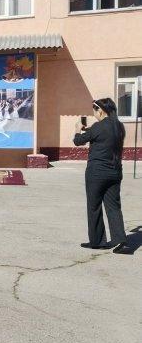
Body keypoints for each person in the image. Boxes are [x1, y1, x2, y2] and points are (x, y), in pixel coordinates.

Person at [73, 98, 129, 253]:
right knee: (113, 207)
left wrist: (78, 129)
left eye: (94, 110)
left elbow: (78, 141)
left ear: (101, 111)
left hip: (97, 173)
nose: (94, 114)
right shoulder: (119, 126)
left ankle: (97, 241)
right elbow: (103, 137)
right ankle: (120, 239)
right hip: (115, 172)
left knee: (94, 207)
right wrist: (91, 130)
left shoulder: (98, 127)